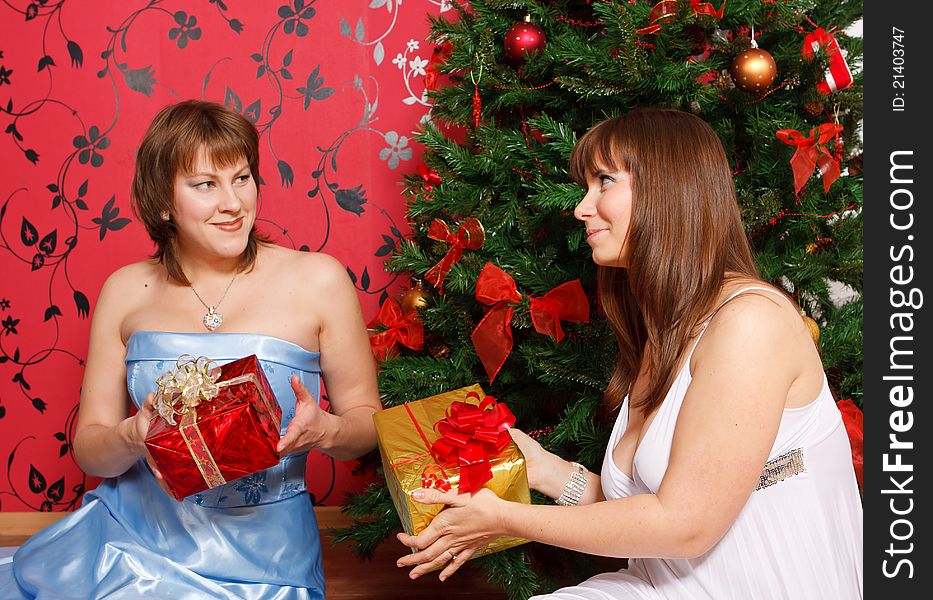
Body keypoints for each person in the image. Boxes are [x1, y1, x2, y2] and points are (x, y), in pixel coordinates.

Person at [395, 108, 863, 599]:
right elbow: (650, 504)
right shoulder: (666, 330)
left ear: (669, 189)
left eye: (604, 182)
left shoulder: (751, 322)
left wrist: (508, 518)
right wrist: (546, 471)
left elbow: (684, 525)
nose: (581, 207)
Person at [2, 100, 383, 599]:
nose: (233, 203)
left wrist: (328, 431)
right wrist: (134, 434)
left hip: (268, 563)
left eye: (242, 178)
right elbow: (91, 451)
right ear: (163, 200)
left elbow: (367, 423)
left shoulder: (320, 280)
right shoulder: (124, 290)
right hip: (131, 547)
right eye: (206, 185)